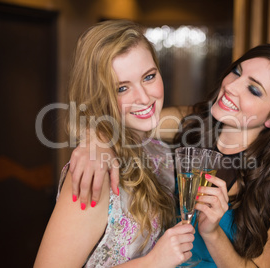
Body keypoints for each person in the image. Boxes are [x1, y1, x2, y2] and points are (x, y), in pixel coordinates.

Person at [70, 44, 270, 267]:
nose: (231, 86)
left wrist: (212, 233)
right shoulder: (190, 122)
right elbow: (117, 123)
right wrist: (96, 142)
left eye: (253, 90)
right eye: (236, 72)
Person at [34, 20, 196, 268]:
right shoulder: (93, 172)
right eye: (122, 88)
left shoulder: (155, 146)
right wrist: (152, 262)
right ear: (99, 96)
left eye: (149, 77)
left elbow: (200, 116)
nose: (143, 97)